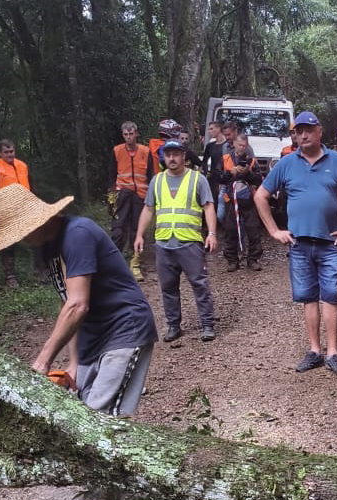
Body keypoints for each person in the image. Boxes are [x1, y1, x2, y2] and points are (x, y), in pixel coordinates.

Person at [0, 183, 158, 500]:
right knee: (77, 414)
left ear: (36, 222)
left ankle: (110, 499)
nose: (22, 240)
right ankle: (103, 485)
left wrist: (43, 360)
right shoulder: (50, 249)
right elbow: (71, 306)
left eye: (21, 233)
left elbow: (78, 305)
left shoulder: (77, 234)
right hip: (94, 339)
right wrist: (74, 362)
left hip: (125, 331)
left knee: (98, 421)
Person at [254, 111, 337, 376]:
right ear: (295, 135)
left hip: (329, 243)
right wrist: (274, 231)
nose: (304, 135)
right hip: (299, 244)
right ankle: (314, 351)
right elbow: (260, 195)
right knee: (308, 298)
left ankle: (333, 353)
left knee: (330, 296)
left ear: (319, 131)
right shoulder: (287, 163)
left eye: (309, 130)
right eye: (299, 131)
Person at [134, 139, 218, 343]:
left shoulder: (197, 179)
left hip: (190, 242)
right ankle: (173, 325)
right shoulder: (157, 181)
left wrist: (212, 233)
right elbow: (148, 209)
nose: (172, 158)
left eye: (176, 154)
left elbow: (208, 207)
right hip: (164, 243)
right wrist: (139, 234)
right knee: (168, 287)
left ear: (183, 156)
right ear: (164, 157)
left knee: (200, 285)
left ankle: (207, 324)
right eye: (168, 154)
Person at [0, 139, 43, 287]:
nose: (10, 154)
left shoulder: (22, 165)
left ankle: (40, 272)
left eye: (11, 151)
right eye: (6, 152)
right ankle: (10, 278)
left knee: (37, 237)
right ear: (0, 153)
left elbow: (31, 187)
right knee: (8, 243)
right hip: (7, 210)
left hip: (26, 208)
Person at [108, 121, 153, 282]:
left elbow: (151, 176)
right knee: (118, 230)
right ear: (123, 135)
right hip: (122, 195)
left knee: (137, 231)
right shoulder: (117, 151)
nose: (128, 137)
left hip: (140, 196)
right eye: (126, 134)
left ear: (136, 134)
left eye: (131, 134)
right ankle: (114, 265)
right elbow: (111, 175)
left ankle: (135, 264)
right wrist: (111, 197)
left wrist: (151, 197)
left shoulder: (145, 151)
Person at [220, 134, 263, 272]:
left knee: (254, 230)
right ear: (234, 144)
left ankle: (253, 259)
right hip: (231, 200)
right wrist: (230, 173)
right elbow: (217, 177)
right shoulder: (225, 159)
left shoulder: (251, 161)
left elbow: (259, 180)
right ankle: (232, 261)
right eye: (240, 145)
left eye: (244, 145)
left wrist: (248, 173)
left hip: (248, 200)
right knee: (230, 230)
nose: (242, 148)